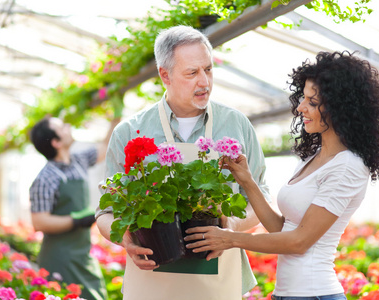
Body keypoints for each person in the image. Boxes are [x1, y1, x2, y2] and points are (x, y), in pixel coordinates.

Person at [185, 51, 379, 300]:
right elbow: (282, 229)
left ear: (341, 108)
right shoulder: (314, 156)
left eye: (312, 102)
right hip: (285, 295)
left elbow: (299, 242)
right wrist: (247, 182)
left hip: (315, 294)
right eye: (303, 98)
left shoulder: (348, 166)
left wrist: (229, 239)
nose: (301, 108)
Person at [95, 25, 271, 300]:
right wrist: (125, 238)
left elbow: (262, 197)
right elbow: (105, 212)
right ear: (164, 75)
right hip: (152, 284)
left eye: (208, 69)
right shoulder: (130, 131)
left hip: (218, 283)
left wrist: (232, 227)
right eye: (192, 73)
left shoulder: (236, 124)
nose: (205, 82)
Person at [29, 116, 120, 300]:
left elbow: (104, 149)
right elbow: (39, 221)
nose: (68, 127)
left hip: (82, 252)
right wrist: (76, 220)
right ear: (56, 142)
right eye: (62, 127)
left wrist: (115, 119)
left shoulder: (78, 161)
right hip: (60, 257)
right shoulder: (46, 178)